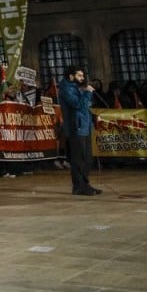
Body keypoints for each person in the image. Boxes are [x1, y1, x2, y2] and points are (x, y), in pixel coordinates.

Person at [58, 66, 102, 196]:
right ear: (71, 76)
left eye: (83, 76)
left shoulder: (78, 88)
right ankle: (78, 186)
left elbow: (85, 106)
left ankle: (85, 184)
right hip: (75, 128)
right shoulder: (66, 89)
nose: (82, 78)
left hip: (85, 126)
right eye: (79, 76)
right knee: (78, 159)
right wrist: (87, 93)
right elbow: (77, 105)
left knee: (87, 159)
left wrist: (92, 116)